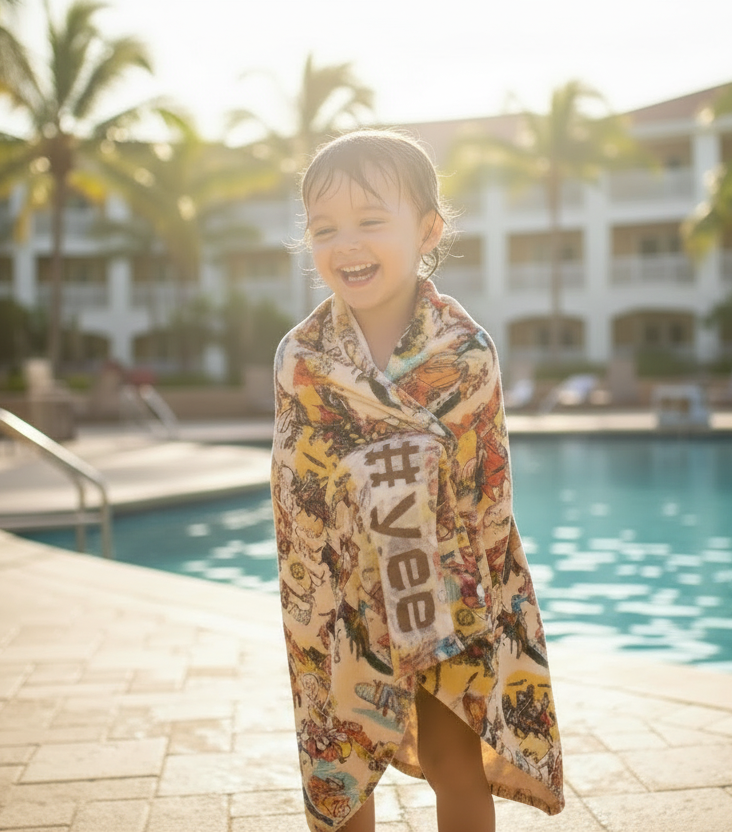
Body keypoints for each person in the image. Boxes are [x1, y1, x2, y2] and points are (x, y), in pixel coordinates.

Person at [270, 129, 563, 832]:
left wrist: (497, 606)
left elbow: (488, 491)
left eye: (372, 221)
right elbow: (293, 494)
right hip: (342, 596)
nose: (347, 244)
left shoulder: (463, 351)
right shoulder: (304, 358)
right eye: (325, 228)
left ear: (428, 230)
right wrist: (311, 610)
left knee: (453, 763)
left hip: (445, 592)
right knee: (342, 768)